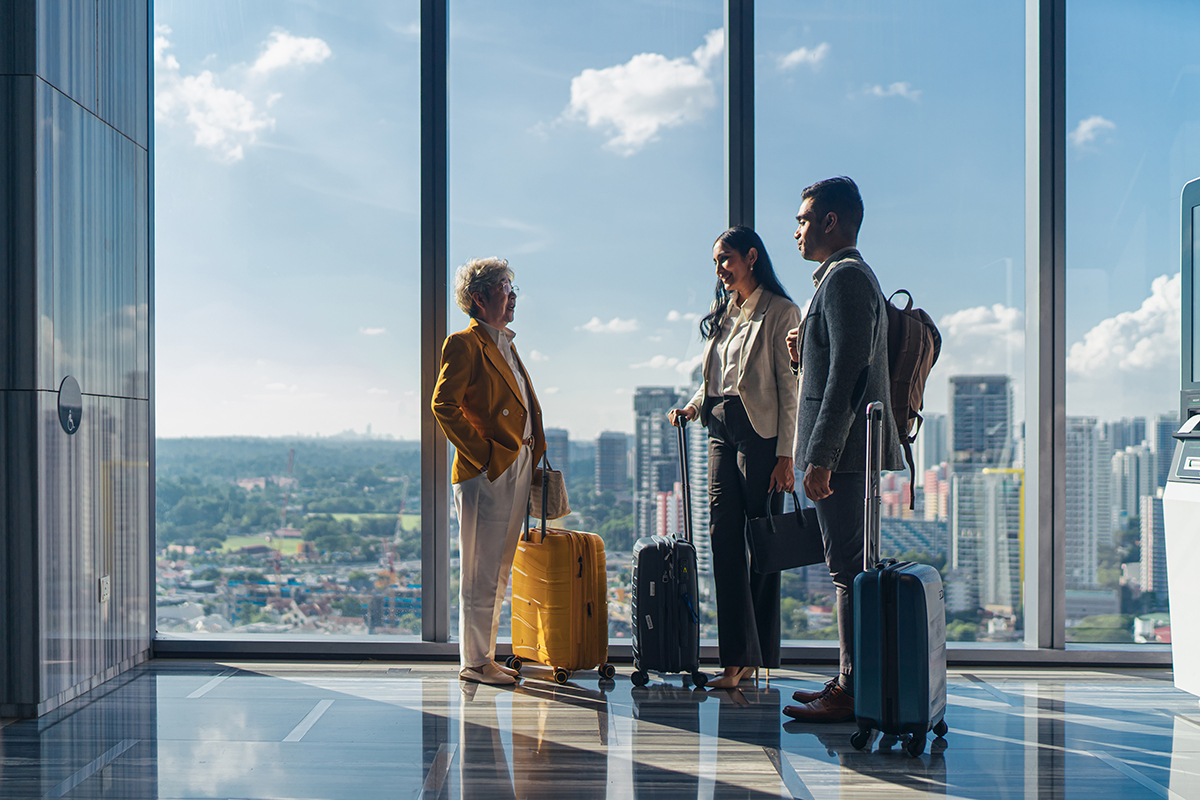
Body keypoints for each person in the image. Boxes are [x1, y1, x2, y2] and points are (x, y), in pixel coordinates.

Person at [781, 177, 903, 722]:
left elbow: (851, 373)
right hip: (847, 449)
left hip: (846, 453)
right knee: (848, 570)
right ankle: (852, 680)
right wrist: (801, 350)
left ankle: (854, 690)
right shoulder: (835, 280)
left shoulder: (847, 278)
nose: (798, 230)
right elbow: (833, 364)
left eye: (805, 219)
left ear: (832, 221)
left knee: (847, 572)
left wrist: (823, 455)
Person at [669, 226, 801, 690]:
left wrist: (786, 455)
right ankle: (736, 658)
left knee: (761, 540)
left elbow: (791, 390)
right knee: (722, 535)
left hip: (761, 433)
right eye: (716, 262)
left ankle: (753, 656)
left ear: (751, 257)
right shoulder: (724, 313)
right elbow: (714, 378)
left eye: (726, 259)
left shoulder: (781, 312)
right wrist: (692, 405)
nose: (721, 269)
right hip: (720, 429)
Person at [432, 257, 546, 685]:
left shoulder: (505, 344)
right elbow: (442, 405)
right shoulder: (465, 344)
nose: (513, 293)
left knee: (497, 568)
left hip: (513, 466)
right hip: (487, 472)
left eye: (513, 286)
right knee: (481, 569)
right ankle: (475, 662)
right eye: (504, 285)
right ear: (479, 298)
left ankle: (483, 657)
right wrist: (484, 455)